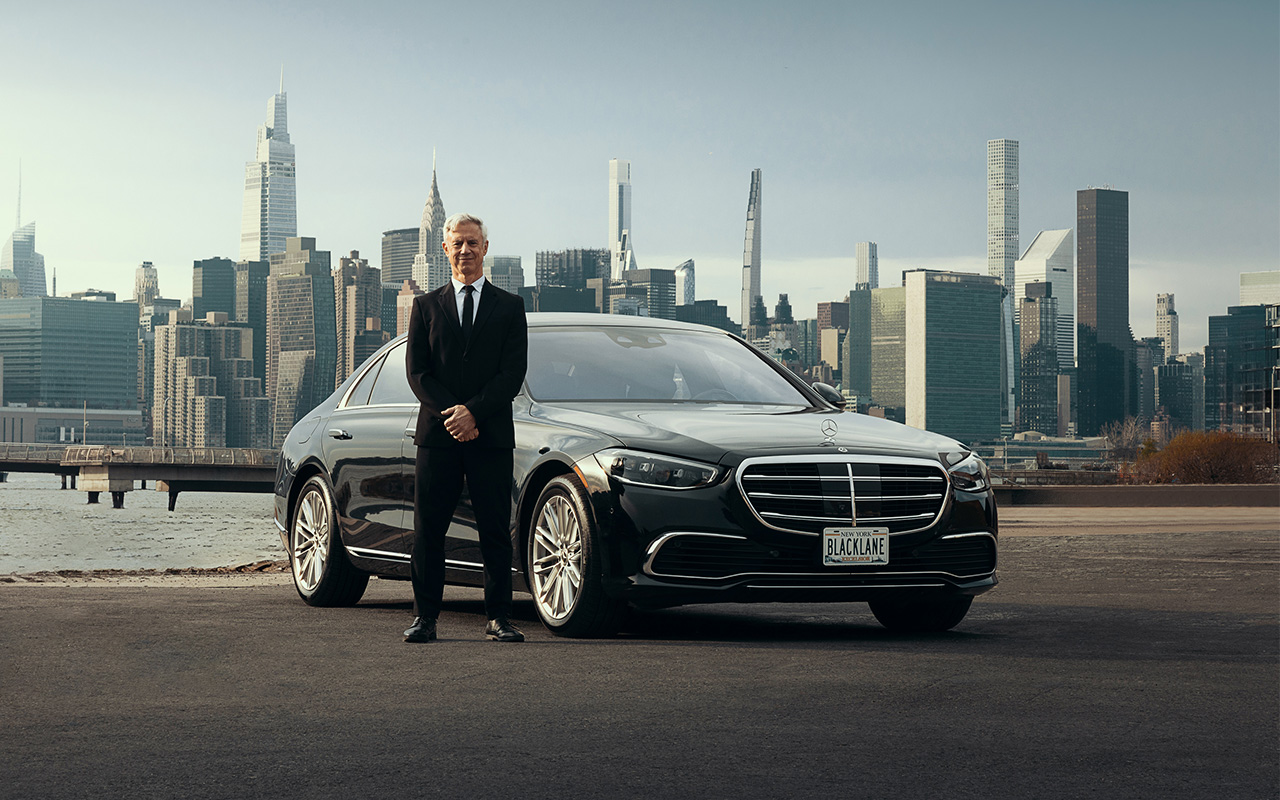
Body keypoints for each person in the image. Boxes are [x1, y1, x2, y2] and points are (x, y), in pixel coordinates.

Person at [403, 213, 528, 643]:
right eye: (457, 243)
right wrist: (454, 416)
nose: (465, 251)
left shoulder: (510, 307)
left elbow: (512, 375)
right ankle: (425, 618)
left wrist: (474, 413)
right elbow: (417, 374)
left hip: (489, 436)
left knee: (494, 529)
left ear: (485, 249)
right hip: (438, 437)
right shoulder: (424, 306)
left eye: (473, 243)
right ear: (445, 249)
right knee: (429, 530)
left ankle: (499, 619)